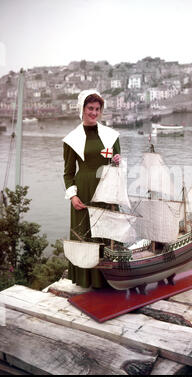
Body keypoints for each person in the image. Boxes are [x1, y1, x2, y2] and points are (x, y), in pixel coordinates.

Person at [63, 89, 121, 288]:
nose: (94, 113)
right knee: (86, 235)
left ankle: (111, 279)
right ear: (82, 109)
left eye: (97, 109)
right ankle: (87, 280)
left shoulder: (111, 135)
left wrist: (117, 161)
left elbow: (116, 164)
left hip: (107, 190)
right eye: (90, 108)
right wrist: (72, 196)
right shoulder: (72, 139)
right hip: (85, 192)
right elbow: (68, 172)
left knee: (109, 232)